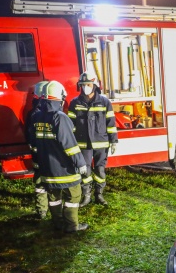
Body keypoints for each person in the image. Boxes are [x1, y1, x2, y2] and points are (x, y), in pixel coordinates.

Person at [30, 80, 88, 233]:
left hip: (47, 169)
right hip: (65, 169)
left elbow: (34, 144)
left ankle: (58, 223)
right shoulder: (60, 118)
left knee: (54, 197)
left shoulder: (37, 117)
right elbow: (70, 145)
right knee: (73, 196)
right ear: (60, 98)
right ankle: (71, 225)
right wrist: (81, 163)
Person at [68, 73, 118, 206]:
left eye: (88, 84)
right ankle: (87, 195)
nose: (85, 87)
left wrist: (113, 141)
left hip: (101, 144)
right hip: (83, 145)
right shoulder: (74, 103)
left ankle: (99, 195)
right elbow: (71, 126)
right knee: (85, 170)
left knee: (100, 170)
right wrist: (71, 144)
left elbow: (111, 123)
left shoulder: (105, 102)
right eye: (83, 85)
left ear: (94, 85)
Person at [27, 80, 50, 219]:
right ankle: (54, 210)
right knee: (47, 182)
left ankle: (42, 210)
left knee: (40, 182)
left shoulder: (33, 112)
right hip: (46, 155)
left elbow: (28, 135)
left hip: (37, 155)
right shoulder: (43, 113)